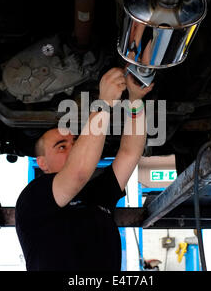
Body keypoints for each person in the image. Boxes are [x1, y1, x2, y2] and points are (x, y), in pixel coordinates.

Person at [15, 67, 154, 271]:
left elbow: (129, 153)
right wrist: (104, 103)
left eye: (75, 142)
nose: (72, 149)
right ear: (42, 163)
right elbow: (78, 173)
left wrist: (135, 100)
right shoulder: (34, 198)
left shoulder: (96, 193)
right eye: (61, 146)